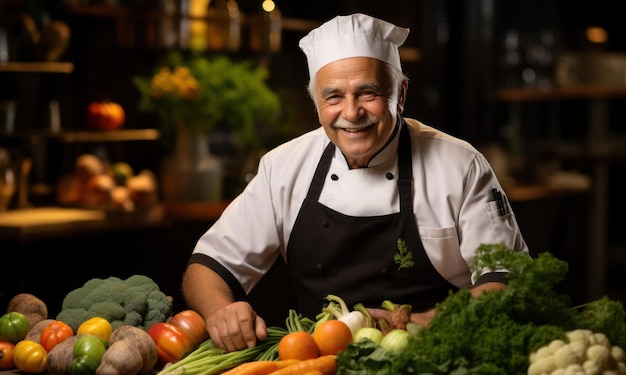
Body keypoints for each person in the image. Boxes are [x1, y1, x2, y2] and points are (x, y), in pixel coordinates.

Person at [181, 13, 528, 353]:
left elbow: (507, 279)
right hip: (317, 367)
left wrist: (434, 322)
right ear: (316, 104)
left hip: (433, 359)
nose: (351, 112)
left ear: (401, 94)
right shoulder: (282, 167)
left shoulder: (460, 165)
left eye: (368, 93)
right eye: (333, 97)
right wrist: (219, 310)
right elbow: (209, 265)